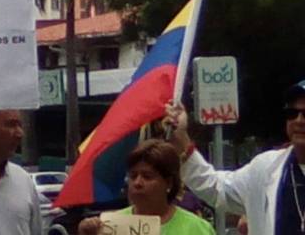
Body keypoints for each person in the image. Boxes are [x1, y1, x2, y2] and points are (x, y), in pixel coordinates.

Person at [165, 79, 305, 235]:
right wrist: (182, 139)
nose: (299, 121)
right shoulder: (265, 168)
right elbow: (215, 187)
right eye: (292, 114)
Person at [78, 139, 215, 235]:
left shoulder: (198, 229)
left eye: (147, 176)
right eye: (133, 176)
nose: (138, 183)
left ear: (168, 183)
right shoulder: (109, 226)